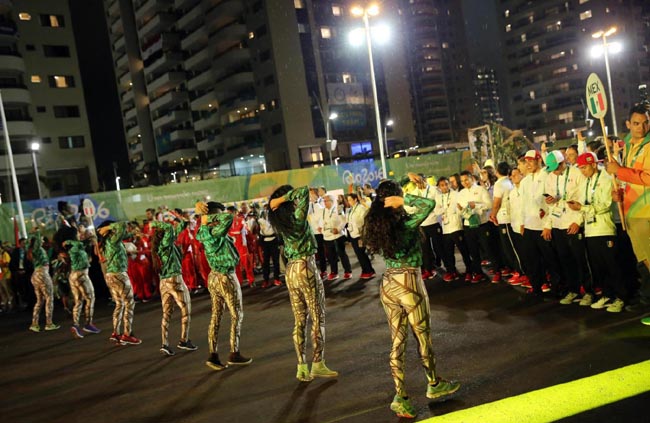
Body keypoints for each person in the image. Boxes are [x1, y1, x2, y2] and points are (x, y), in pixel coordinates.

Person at [363, 178, 460, 419]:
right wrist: (405, 199)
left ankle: (401, 396)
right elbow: (428, 205)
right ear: (395, 197)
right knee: (423, 336)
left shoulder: (379, 224)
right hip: (409, 283)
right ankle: (434, 383)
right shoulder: (405, 224)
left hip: (388, 284)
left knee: (397, 341)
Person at [269, 185, 338, 382]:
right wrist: (282, 198)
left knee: (299, 320)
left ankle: (301, 366)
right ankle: (318, 363)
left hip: (291, 270)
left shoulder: (281, 221)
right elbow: (303, 191)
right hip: (305, 266)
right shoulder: (296, 218)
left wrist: (275, 202)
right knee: (318, 317)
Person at [195, 201, 252, 370]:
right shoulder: (215, 230)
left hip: (214, 276)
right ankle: (234, 352)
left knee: (216, 316)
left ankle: (213, 354)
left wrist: (203, 217)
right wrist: (205, 216)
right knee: (237, 315)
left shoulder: (203, 231)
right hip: (226, 276)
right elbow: (228, 217)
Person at [605, 104, 650, 315]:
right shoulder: (630, 145)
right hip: (633, 213)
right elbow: (632, 178)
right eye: (636, 123)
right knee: (643, 263)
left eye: (645, 122)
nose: (641, 127)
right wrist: (620, 193)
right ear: (628, 124)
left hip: (646, 213)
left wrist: (620, 171)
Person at [568, 152, 627, 312]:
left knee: (612, 265)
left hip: (605, 228)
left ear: (593, 164)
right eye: (580, 168)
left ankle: (621, 297)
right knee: (599, 266)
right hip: (590, 230)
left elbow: (605, 205)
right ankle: (607, 295)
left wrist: (582, 208)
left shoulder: (606, 180)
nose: (583, 171)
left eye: (585, 167)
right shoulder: (585, 182)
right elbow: (584, 204)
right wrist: (577, 217)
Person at [544, 150, 589, 300]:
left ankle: (589, 290)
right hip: (558, 223)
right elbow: (550, 204)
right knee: (565, 259)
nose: (555, 172)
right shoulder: (550, 177)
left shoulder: (577, 174)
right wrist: (548, 224)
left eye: (556, 168)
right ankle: (573, 290)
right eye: (552, 169)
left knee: (580, 259)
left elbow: (584, 199)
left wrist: (578, 221)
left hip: (573, 221)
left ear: (563, 163)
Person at [150, 212, 197, 356]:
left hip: (163, 282)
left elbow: (181, 226)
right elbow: (171, 229)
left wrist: (178, 218)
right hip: (175, 279)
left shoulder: (160, 247)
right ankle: (184, 339)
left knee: (166, 313)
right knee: (186, 309)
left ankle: (165, 343)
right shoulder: (166, 243)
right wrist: (155, 222)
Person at [518, 150, 559, 296]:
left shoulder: (547, 177)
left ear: (538, 160)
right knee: (532, 259)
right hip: (529, 226)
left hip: (543, 226)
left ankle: (556, 287)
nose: (528, 164)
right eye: (526, 161)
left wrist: (548, 225)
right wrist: (522, 223)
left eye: (531, 161)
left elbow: (551, 204)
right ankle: (537, 286)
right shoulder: (525, 181)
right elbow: (523, 204)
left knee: (550, 259)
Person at [97, 221, 141, 345]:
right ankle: (127, 334)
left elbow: (124, 233)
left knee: (119, 304)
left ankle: (116, 333)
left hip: (111, 275)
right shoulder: (112, 240)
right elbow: (121, 225)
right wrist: (107, 227)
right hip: (119, 274)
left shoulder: (106, 242)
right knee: (129, 304)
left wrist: (133, 233)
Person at [457, 170, 497, 282]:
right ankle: (478, 272)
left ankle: (497, 270)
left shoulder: (480, 189)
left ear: (472, 178)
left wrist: (476, 206)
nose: (464, 182)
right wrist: (462, 211)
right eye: (462, 181)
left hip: (482, 224)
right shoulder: (461, 193)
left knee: (488, 248)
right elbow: (459, 209)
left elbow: (489, 205)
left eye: (466, 179)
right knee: (473, 251)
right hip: (468, 225)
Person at [62, 227, 100, 338]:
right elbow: (89, 240)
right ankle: (88, 323)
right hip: (81, 275)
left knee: (78, 301)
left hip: (74, 275)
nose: (80, 233)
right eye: (78, 232)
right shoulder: (76, 245)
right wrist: (90, 234)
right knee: (90, 298)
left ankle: (76, 325)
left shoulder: (72, 246)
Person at [434, 177, 471, 282]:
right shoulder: (438, 197)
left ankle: (469, 270)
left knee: (464, 250)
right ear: (439, 187)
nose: (445, 187)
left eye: (446, 184)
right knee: (448, 252)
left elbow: (460, 209)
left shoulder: (456, 195)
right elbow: (436, 211)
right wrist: (445, 209)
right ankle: (452, 271)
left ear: (449, 184)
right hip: (445, 228)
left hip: (456, 226)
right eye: (442, 185)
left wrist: (448, 209)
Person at [488, 162, 517, 280]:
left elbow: (496, 203)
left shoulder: (499, 184)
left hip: (505, 218)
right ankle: (514, 269)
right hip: (511, 217)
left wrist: (493, 215)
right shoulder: (509, 182)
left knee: (509, 246)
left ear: (497, 171)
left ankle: (518, 271)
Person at [27, 229, 60, 332]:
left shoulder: (37, 250)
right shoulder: (37, 249)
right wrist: (37, 232)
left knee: (40, 300)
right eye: (40, 239)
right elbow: (37, 240)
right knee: (49, 298)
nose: (42, 240)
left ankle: (34, 323)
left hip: (36, 275)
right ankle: (49, 323)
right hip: (42, 274)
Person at [320, 194, 352, 281]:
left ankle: (347, 271)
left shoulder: (338, 209)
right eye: (324, 201)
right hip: (327, 237)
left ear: (331, 201)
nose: (324, 203)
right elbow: (322, 222)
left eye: (326, 201)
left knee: (342, 254)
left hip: (338, 236)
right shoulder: (323, 211)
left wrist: (338, 229)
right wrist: (322, 230)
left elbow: (344, 220)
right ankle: (334, 272)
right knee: (331, 256)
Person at [345, 193, 375, 279]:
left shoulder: (361, 208)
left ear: (355, 199)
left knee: (362, 253)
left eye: (350, 200)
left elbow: (362, 220)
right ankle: (365, 270)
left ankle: (369, 270)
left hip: (359, 235)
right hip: (353, 234)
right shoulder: (351, 209)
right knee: (359, 254)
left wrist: (357, 228)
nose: (349, 202)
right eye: (348, 200)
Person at [258, 205, 282, 287]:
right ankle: (266, 280)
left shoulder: (274, 218)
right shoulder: (260, 220)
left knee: (276, 261)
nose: (266, 211)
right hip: (265, 242)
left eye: (267, 209)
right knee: (266, 262)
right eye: (265, 210)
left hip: (274, 240)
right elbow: (259, 230)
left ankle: (276, 279)